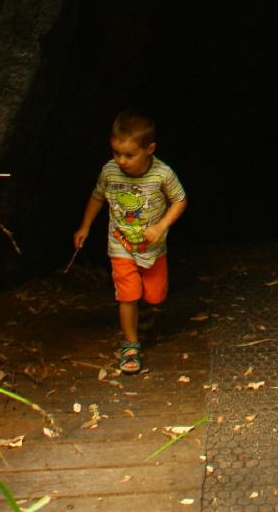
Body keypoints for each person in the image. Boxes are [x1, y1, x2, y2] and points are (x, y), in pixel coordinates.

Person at [73, 108, 187, 374]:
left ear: (150, 149)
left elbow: (180, 200)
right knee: (127, 294)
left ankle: (144, 311)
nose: (121, 161)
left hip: (153, 248)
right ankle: (130, 344)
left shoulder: (162, 174)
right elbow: (98, 196)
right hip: (120, 245)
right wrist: (85, 226)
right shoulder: (110, 172)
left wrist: (161, 226)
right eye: (116, 153)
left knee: (155, 295)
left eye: (129, 155)